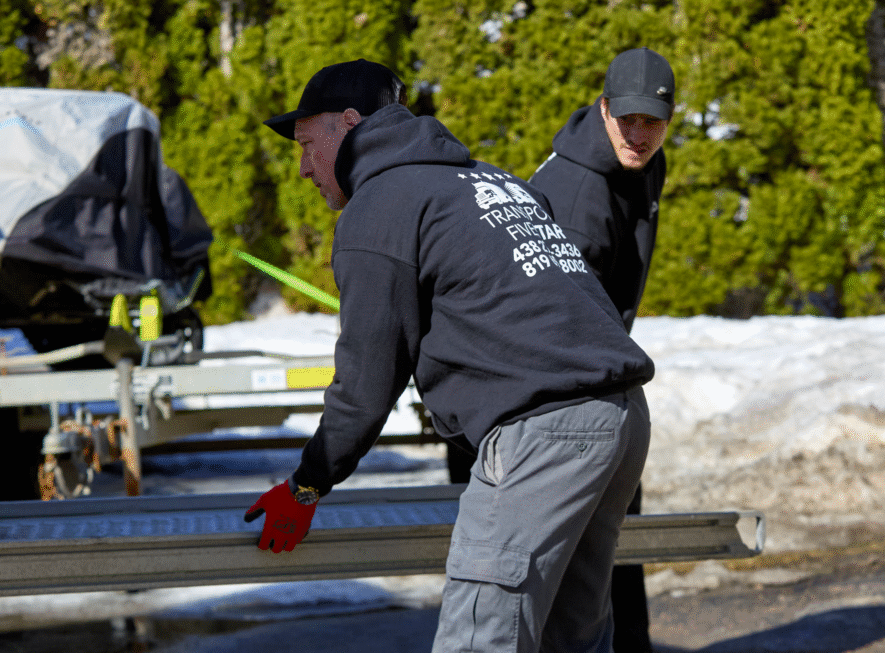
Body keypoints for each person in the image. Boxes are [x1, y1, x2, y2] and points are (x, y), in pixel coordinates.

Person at [245, 58, 655, 653]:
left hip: (545, 436)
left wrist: (307, 485)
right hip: (619, 418)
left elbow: (366, 384)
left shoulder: (380, 205)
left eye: (307, 145)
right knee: (573, 637)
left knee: (478, 639)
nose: (304, 167)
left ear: (350, 123)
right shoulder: (492, 181)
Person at [528, 46, 675, 653]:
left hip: (597, 373)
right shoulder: (580, 198)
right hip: (552, 394)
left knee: (612, 548)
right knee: (565, 576)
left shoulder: (639, 164)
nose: (639, 135)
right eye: (627, 120)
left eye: (653, 122)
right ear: (602, 108)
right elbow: (547, 326)